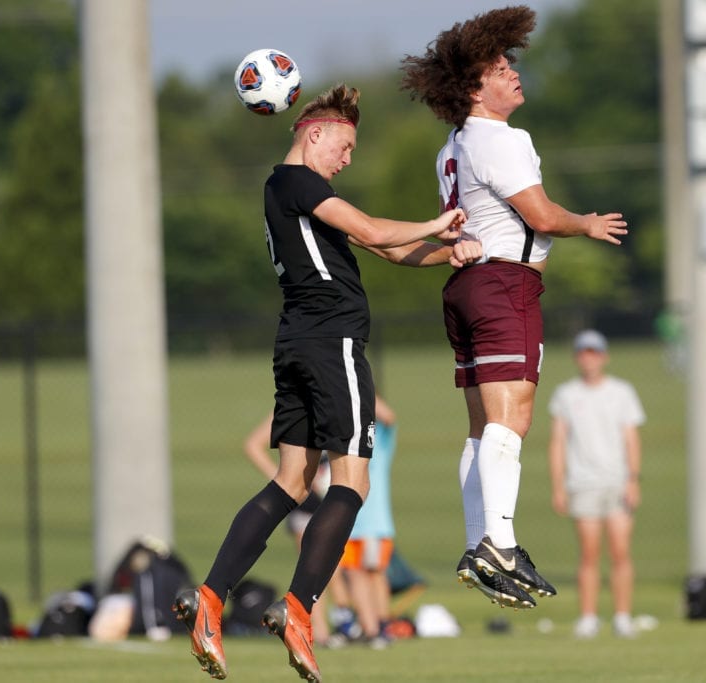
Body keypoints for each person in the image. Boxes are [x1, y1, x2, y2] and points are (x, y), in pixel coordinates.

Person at [173, 84, 481, 682]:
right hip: (331, 341)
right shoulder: (299, 184)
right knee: (354, 480)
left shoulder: (291, 194)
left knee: (293, 480)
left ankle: (210, 601)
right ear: (313, 133)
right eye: (344, 146)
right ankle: (298, 610)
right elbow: (370, 230)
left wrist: (449, 253)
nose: (347, 159)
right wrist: (438, 221)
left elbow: (388, 252)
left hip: (296, 341)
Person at [400, 5, 628, 609]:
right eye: (500, 68)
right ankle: (496, 544)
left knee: (482, 429)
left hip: (469, 287)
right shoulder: (501, 139)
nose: (513, 75)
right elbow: (542, 216)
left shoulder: (453, 145)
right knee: (512, 422)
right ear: (474, 87)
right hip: (503, 285)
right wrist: (587, 223)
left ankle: (482, 545)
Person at [547, 330, 645, 639]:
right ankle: (588, 617)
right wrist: (558, 486)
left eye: (594, 352)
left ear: (604, 356)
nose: (589, 358)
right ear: (577, 357)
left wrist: (633, 479)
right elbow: (558, 442)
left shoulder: (621, 392)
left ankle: (622, 616)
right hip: (583, 482)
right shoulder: (566, 394)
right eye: (583, 353)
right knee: (589, 553)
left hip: (616, 481)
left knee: (620, 551)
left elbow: (631, 438)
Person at [243, 412, 348, 648]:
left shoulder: (333, 402)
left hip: (332, 502)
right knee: (312, 567)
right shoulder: (291, 406)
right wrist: (285, 483)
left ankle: (342, 624)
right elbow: (253, 445)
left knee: (335, 568)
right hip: (305, 508)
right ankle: (319, 633)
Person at [336, 394, 398, 648]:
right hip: (350, 522)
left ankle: (380, 626)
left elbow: (388, 416)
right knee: (354, 574)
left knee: (373, 574)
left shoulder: (378, 440)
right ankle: (370, 626)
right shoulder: (343, 443)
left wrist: (357, 390)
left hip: (373, 523)